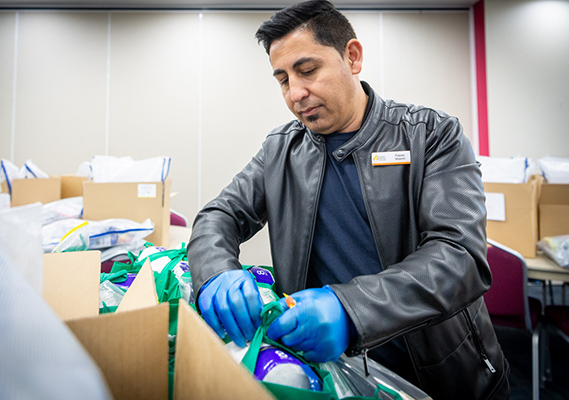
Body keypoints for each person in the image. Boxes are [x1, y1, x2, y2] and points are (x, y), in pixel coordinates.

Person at [187, 1, 510, 399]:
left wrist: (350, 308)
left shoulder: (430, 135)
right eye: (283, 79)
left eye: (307, 71)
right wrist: (216, 271)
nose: (296, 93)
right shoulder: (280, 150)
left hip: (438, 374)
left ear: (352, 58)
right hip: (332, 373)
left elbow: (460, 255)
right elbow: (218, 216)